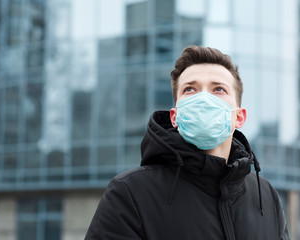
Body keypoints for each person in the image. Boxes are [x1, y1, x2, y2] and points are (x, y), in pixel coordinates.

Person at [85, 46, 290, 240]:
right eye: (190, 89)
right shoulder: (130, 193)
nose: (203, 99)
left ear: (239, 117)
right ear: (175, 117)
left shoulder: (267, 197)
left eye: (218, 89)